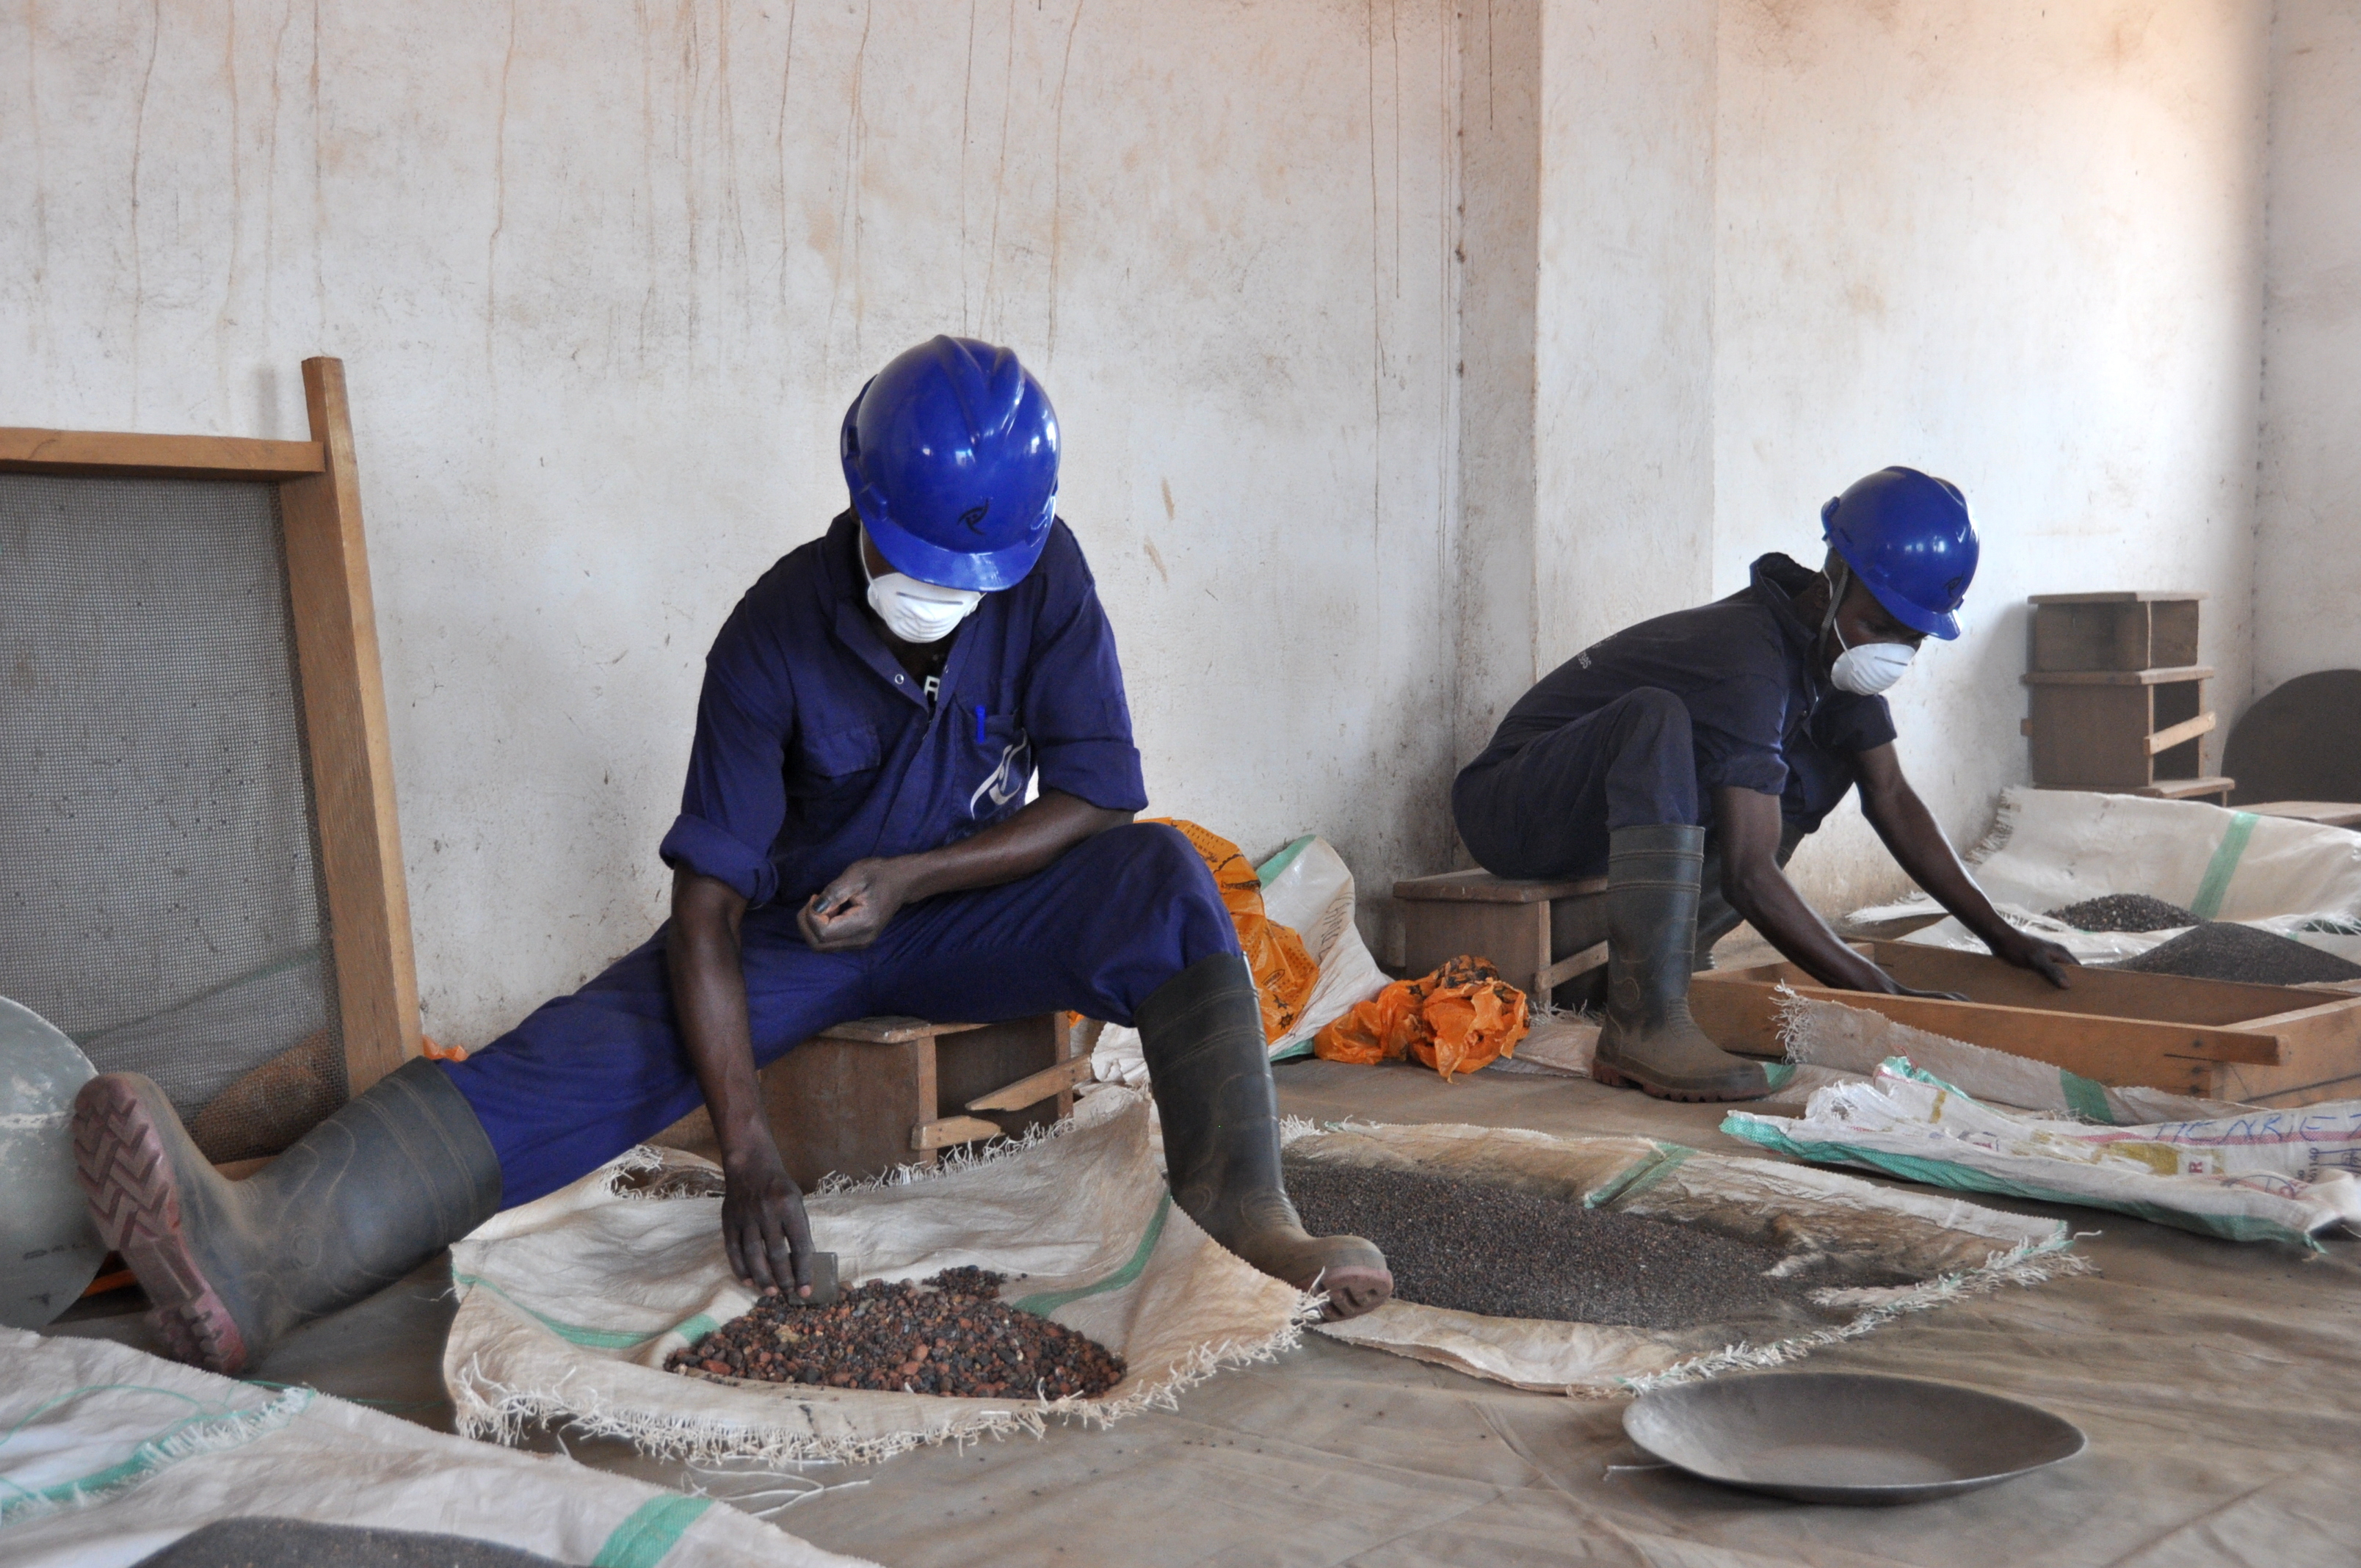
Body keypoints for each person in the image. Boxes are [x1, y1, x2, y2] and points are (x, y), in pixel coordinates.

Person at [72, 336, 1391, 1376]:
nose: (946, 588)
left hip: (972, 909)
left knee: (1162, 878)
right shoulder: (769, 636)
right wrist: (749, 1147)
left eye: (971, 571)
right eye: (920, 557)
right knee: (580, 1051)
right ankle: (267, 1254)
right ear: (860, 503)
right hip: (787, 940)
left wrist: (920, 880)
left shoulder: (1039, 573)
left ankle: (1250, 1215)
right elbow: (703, 910)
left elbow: (1102, 789)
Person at [1451, 467, 2078, 1103]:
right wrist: (1880, 992)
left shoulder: (1827, 656)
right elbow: (1749, 874)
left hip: (1595, 814)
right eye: (1882, 626)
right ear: (1832, 583)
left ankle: (1651, 973)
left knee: (1825, 760)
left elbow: (1891, 797)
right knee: (1654, 716)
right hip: (1512, 805)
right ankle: (1644, 1024)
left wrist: (2001, 936)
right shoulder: (1747, 656)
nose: (1893, 652)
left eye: (1911, 638)